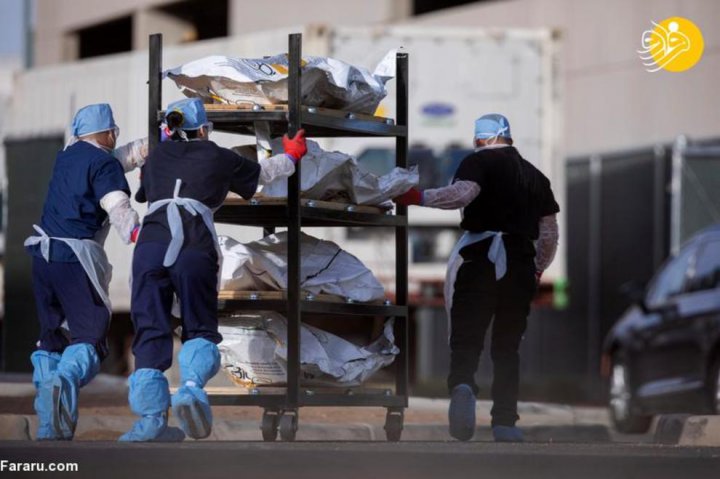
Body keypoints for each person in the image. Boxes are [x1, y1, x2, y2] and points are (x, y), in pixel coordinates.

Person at [120, 98, 307, 442]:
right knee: (199, 326)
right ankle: (190, 389)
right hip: (193, 246)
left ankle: (149, 421)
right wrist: (292, 156)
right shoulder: (218, 155)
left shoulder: (157, 155)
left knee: (150, 327)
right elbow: (264, 174)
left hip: (150, 247)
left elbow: (147, 191)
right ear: (204, 128)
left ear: (170, 129)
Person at [393, 113, 559, 442]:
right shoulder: (537, 177)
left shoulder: (478, 162)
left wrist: (419, 197)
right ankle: (505, 423)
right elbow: (550, 233)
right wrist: (538, 268)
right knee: (507, 347)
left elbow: (462, 195)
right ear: (508, 138)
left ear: (481, 139)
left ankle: (464, 385)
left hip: (480, 258)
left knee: (467, 337)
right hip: (520, 263)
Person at [24, 103, 148, 440]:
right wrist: (137, 234)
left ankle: (50, 426)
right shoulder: (103, 165)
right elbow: (116, 203)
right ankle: (63, 382)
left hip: (41, 257)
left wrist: (145, 148)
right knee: (89, 337)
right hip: (73, 260)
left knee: (52, 339)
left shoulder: (68, 156)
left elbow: (107, 163)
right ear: (108, 133)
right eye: (114, 133)